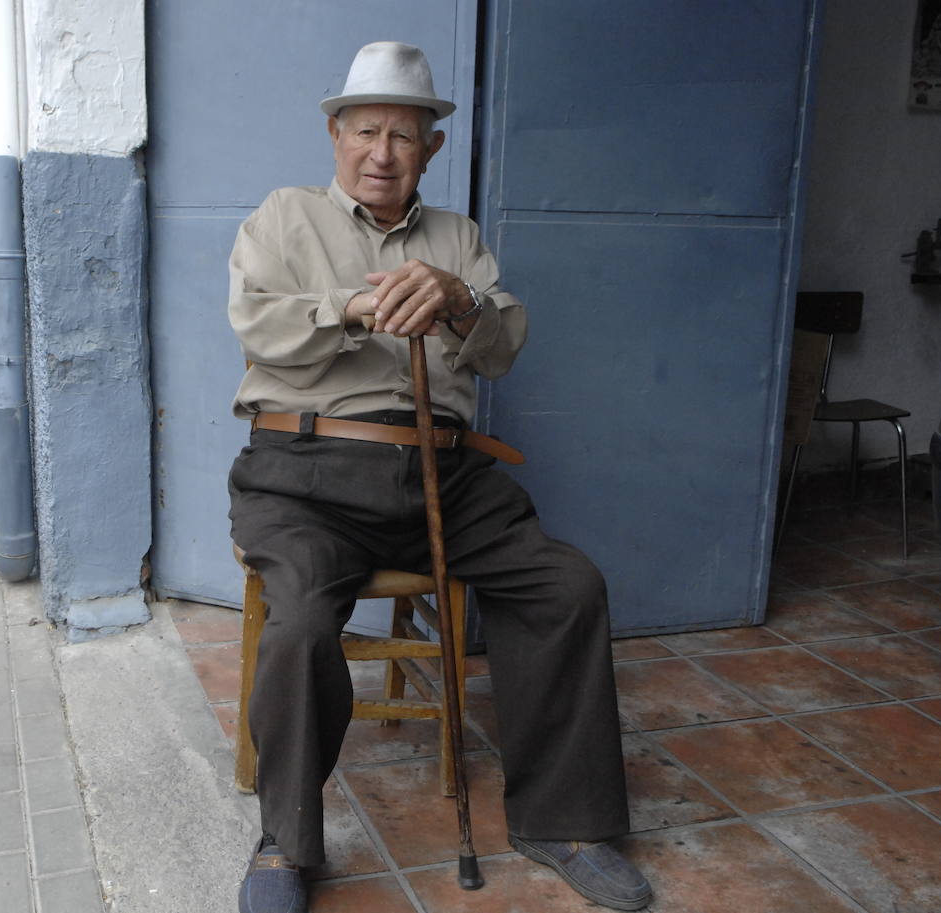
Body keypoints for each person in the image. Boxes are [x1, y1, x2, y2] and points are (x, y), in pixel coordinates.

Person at [228, 42, 652, 913]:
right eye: (368, 131)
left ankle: (564, 822)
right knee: (302, 617)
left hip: (442, 472)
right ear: (337, 135)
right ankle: (285, 843)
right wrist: (346, 307)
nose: (383, 152)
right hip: (304, 469)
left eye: (405, 135)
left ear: (432, 149)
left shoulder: (456, 236)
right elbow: (257, 325)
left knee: (567, 585)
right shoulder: (284, 216)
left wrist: (460, 299)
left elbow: (500, 348)